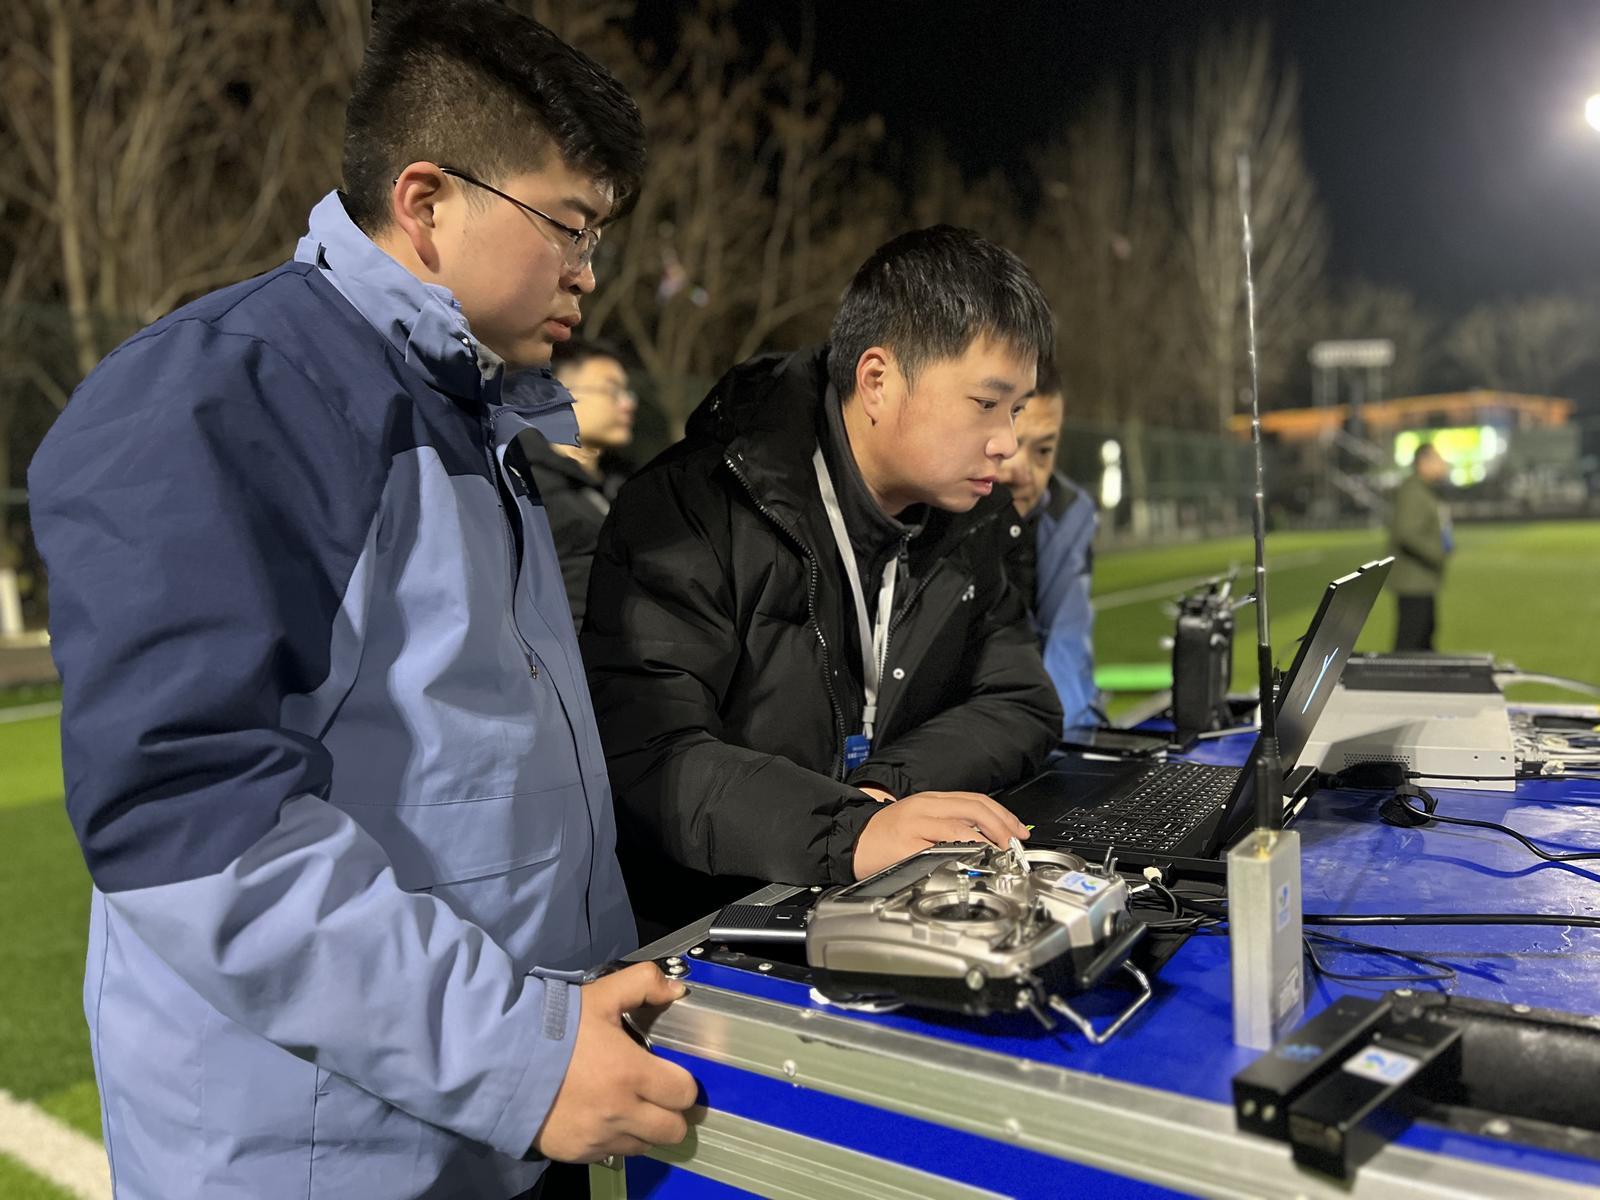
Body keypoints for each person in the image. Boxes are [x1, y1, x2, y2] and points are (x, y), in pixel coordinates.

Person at [26, 5, 696, 1198]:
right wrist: (516, 1054)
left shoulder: (471, 410)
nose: (589, 273)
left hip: (485, 1121)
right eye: (569, 226)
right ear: (427, 201)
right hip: (321, 1162)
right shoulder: (223, 397)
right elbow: (190, 820)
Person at [581, 226, 1062, 940]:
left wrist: (881, 791)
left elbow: (1021, 699)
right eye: (986, 404)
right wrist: (849, 829)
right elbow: (651, 758)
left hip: (882, 902)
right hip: (711, 930)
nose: (1008, 445)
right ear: (877, 381)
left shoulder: (971, 520)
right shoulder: (690, 508)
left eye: (1016, 411)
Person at [995, 363, 1100, 730]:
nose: (1021, 471)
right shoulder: (932, 509)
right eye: (1009, 443)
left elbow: (1066, 653)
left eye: (1043, 451)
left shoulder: (1069, 512)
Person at [526, 337, 638, 627]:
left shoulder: (628, 487)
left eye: (627, 392)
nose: (628, 403)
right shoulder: (526, 486)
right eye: (612, 390)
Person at [1388, 441, 1453, 651]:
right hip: (1413, 583)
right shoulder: (1413, 491)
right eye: (1438, 459)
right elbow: (1406, 532)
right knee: (1409, 645)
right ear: (1423, 463)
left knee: (1424, 642)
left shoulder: (1423, 489)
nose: (1443, 464)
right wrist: (1437, 553)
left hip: (1422, 580)